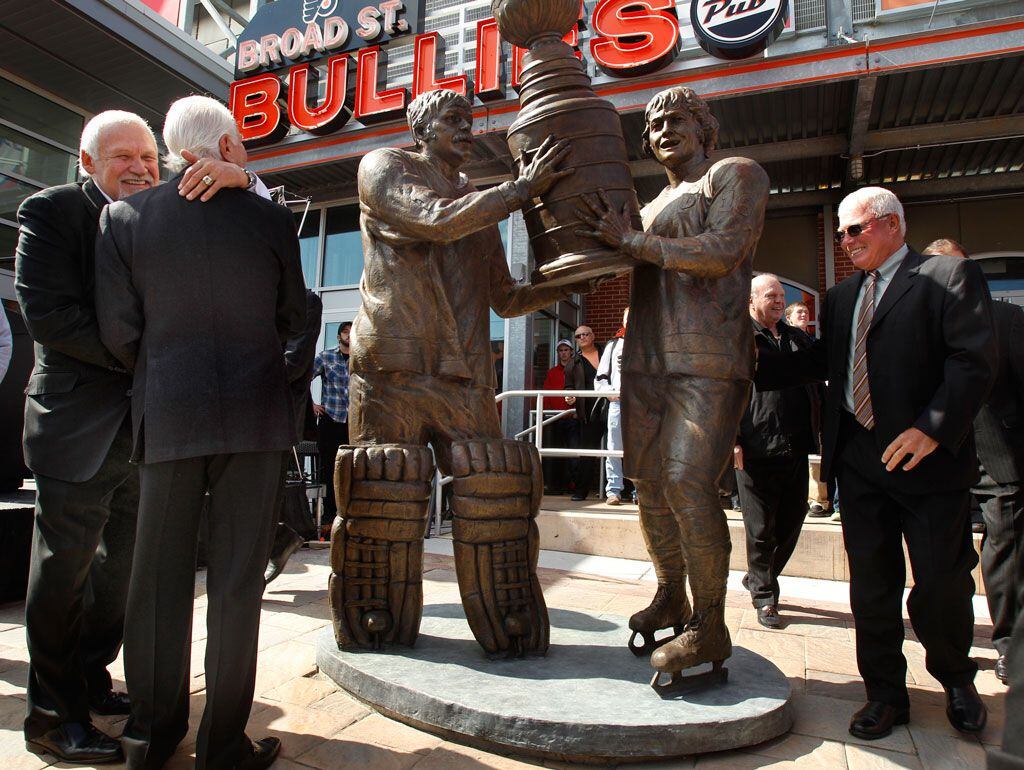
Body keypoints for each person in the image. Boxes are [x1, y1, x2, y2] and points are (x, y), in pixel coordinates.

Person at [95, 95, 306, 770]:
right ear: (227, 146)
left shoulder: (122, 217)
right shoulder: (272, 219)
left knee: (156, 584)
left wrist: (165, 374)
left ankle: (150, 739)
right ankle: (222, 747)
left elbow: (119, 331)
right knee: (238, 587)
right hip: (255, 422)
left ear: (174, 146)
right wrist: (272, 384)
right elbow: (298, 316)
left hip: (170, 417)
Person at [337, 89, 583, 657]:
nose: (466, 129)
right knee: (384, 494)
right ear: (420, 129)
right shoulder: (386, 167)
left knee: (491, 491)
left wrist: (573, 279)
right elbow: (436, 220)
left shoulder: (478, 202)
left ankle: (506, 624)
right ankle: (375, 620)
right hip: (395, 368)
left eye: (470, 121)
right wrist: (520, 191)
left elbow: (506, 295)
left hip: (464, 376)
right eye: (453, 120)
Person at [756, 187, 996, 739]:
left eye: (854, 230)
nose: (845, 241)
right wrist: (750, 361)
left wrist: (931, 428)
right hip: (859, 464)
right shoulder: (841, 299)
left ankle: (957, 680)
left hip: (927, 466)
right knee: (871, 586)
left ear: (891, 225)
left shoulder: (945, 278)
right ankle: (885, 694)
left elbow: (973, 362)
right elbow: (819, 362)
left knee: (940, 581)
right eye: (840, 233)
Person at [577, 86, 769, 681]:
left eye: (676, 120)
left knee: (688, 483)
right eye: (654, 124)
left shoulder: (735, 174)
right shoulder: (655, 201)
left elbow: (722, 251)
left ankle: (710, 623)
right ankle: (672, 595)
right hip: (646, 360)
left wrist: (633, 242)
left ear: (705, 128)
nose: (662, 130)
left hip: (707, 359)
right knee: (650, 484)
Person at [924, 237, 1024, 685]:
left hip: (999, 465)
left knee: (1007, 560)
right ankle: (951, 653)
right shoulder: (918, 325)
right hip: (937, 466)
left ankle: (1012, 649)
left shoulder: (1007, 319)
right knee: (946, 567)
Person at [735, 274, 818, 629]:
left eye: (782, 295)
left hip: (796, 445)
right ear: (752, 300)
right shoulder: (739, 341)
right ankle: (765, 596)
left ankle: (758, 576)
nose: (779, 300)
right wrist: (732, 440)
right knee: (760, 528)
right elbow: (726, 395)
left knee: (792, 520)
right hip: (754, 448)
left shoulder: (798, 339)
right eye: (771, 295)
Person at [265, 289, 325, 584]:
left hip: (273, 409)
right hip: (237, 409)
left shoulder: (306, 302)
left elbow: (295, 361)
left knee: (261, 490)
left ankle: (277, 540)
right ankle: (278, 537)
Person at [312, 321, 351, 526]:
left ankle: (347, 514)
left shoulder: (360, 360)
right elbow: (303, 378)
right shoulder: (326, 357)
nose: (349, 335)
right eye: (345, 332)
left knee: (350, 470)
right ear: (338, 337)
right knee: (328, 470)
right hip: (330, 421)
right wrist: (312, 404)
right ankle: (328, 517)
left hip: (351, 423)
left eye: (352, 332)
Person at [564, 325, 603, 501]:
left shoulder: (607, 352)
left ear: (593, 336)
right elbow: (569, 386)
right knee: (587, 452)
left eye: (586, 334)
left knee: (618, 449)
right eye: (578, 336)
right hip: (588, 413)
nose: (582, 337)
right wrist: (570, 396)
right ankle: (581, 491)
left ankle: (624, 491)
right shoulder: (573, 363)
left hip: (614, 406)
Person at [595, 309, 628, 505]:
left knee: (641, 449)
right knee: (614, 447)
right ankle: (614, 490)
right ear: (623, 320)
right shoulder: (614, 344)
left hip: (643, 405)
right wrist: (610, 393)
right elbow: (600, 377)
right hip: (619, 403)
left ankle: (641, 491)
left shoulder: (649, 343)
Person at [541, 339, 576, 494]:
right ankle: (557, 485)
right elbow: (546, 395)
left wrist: (577, 412)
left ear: (571, 352)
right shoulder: (552, 372)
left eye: (566, 350)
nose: (563, 353)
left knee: (574, 454)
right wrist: (547, 414)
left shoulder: (577, 369)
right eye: (560, 350)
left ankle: (574, 485)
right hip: (555, 419)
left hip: (573, 419)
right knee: (556, 454)